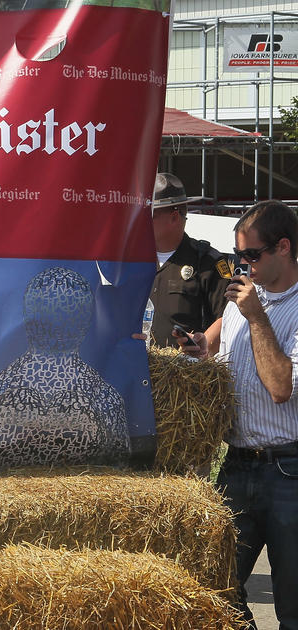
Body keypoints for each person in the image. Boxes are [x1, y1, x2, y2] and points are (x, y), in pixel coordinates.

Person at [184, 200, 298, 629]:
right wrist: (201, 350)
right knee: (213, 590)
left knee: (292, 605)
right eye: (237, 257)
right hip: (235, 465)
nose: (241, 266)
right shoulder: (241, 299)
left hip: (288, 468)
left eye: (252, 256)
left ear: (284, 247)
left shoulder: (269, 306)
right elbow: (219, 351)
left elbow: (280, 387)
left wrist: (256, 316)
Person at [148, 172, 232, 347]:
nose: (143, 221)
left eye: (151, 215)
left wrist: (199, 349)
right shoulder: (136, 259)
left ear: (174, 217)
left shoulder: (208, 262)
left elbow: (227, 317)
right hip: (139, 367)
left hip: (185, 370)